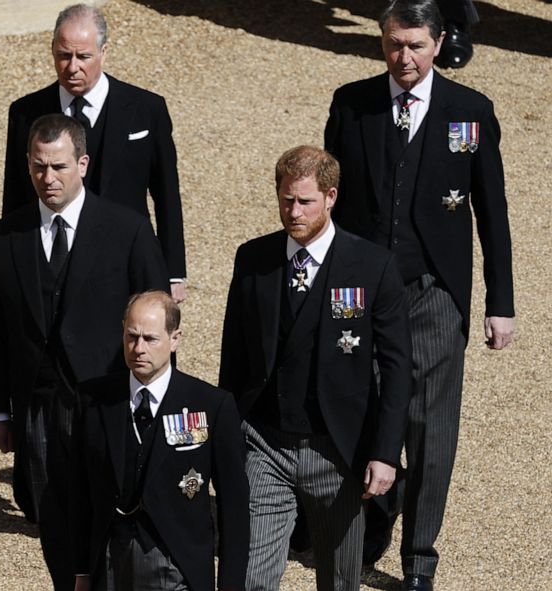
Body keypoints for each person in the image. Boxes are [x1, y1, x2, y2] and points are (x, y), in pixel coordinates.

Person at [325, 1, 514, 587]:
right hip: (362, 291)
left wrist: (499, 303)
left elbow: (493, 213)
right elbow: (328, 201)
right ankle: (363, 533)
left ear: (438, 44)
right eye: (393, 45)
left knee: (430, 429)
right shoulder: (350, 105)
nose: (404, 58)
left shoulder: (471, 111)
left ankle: (419, 562)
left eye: (415, 46)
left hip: (436, 291)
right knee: (357, 411)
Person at [0, 113, 169, 590]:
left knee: (112, 511)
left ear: (82, 163)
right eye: (40, 167)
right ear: (28, 165)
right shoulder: (4, 236)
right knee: (51, 515)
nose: (49, 178)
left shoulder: (126, 229)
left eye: (60, 166)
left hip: (107, 400)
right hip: (39, 404)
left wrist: (157, 402)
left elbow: (159, 317)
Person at [218, 146, 412, 591]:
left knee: (339, 580)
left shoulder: (372, 266)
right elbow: (235, 359)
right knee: (252, 577)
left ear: (331, 196)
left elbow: (398, 366)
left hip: (339, 452)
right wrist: (227, 436)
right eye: (286, 199)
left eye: (305, 201)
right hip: (264, 444)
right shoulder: (254, 259)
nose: (293, 211)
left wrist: (385, 453)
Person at [2, 3, 188, 302]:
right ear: (52, 50)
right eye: (64, 56)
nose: (72, 67)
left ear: (104, 52)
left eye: (83, 56)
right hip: (55, 258)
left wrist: (173, 273)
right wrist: (10, 263)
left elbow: (167, 194)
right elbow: (16, 194)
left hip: (130, 257)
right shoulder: (25, 114)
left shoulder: (146, 110)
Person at [71, 291, 249, 591]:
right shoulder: (92, 400)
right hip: (110, 561)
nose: (138, 348)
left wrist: (231, 584)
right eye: (131, 336)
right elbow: (78, 492)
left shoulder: (210, 405)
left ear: (175, 339)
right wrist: (80, 571)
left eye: (150, 339)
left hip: (177, 565)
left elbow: (234, 502)